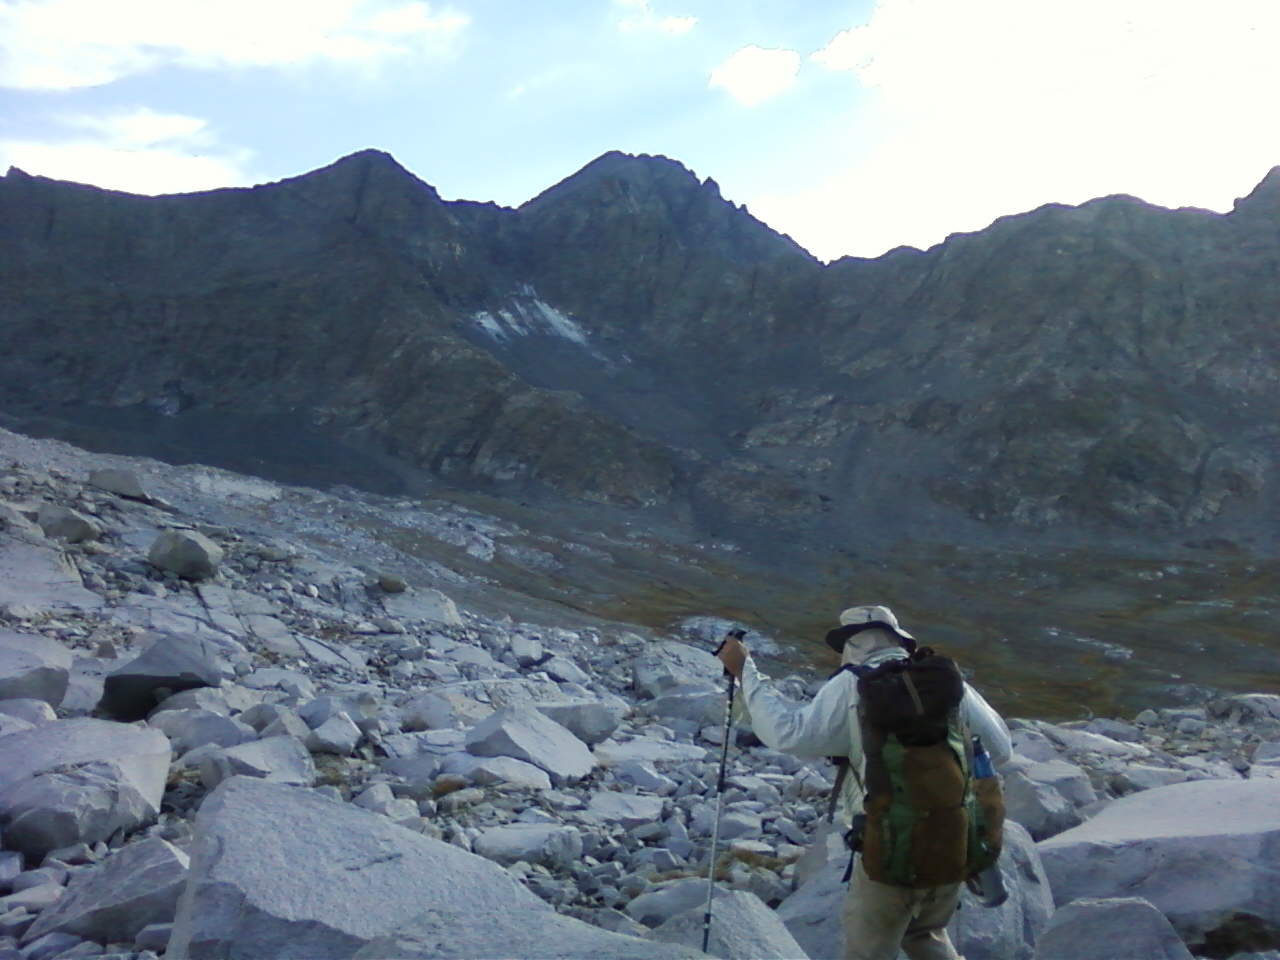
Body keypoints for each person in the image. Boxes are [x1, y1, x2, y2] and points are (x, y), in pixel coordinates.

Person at [716, 604, 1012, 960]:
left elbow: (789, 733)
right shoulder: (946, 681)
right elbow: (1002, 750)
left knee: (866, 950)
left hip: (889, 843)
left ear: (851, 644)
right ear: (898, 638)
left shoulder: (852, 683)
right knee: (925, 935)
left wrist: (745, 672)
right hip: (954, 837)